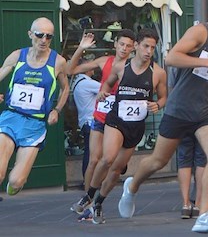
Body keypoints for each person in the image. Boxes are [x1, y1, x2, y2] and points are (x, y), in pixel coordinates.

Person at [118, 0, 208, 234]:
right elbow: (172, 58)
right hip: (181, 107)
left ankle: (204, 214)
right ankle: (132, 186)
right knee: (158, 161)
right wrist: (205, 61)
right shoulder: (199, 32)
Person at [71, 28, 167, 225]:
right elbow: (107, 85)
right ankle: (88, 196)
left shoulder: (158, 73)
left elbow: (164, 96)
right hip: (116, 120)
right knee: (107, 159)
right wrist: (102, 93)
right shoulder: (121, 67)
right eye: (146, 46)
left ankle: (98, 202)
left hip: (136, 126)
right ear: (137, 47)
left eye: (152, 47)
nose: (149, 51)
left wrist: (158, 104)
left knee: (116, 170)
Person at [0, 17, 69, 195]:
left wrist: (57, 110)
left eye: (49, 36)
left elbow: (65, 88)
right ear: (30, 34)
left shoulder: (58, 62)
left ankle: (16, 182)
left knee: (16, 181)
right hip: (11, 118)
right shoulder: (18, 56)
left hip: (35, 125)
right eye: (39, 35)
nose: (44, 40)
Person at [67, 30, 135, 193]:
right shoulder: (104, 61)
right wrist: (80, 48)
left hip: (121, 120)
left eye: (128, 46)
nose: (124, 49)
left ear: (133, 49)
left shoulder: (133, 66)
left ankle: (100, 197)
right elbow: (70, 70)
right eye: (121, 44)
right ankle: (87, 202)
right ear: (115, 44)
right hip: (100, 117)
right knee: (93, 160)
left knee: (114, 164)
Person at [70, 68, 100, 187]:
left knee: (90, 152)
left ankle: (88, 180)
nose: (93, 69)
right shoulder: (87, 83)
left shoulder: (77, 82)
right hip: (91, 121)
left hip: (84, 121)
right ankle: (89, 181)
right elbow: (106, 89)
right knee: (91, 153)